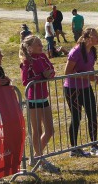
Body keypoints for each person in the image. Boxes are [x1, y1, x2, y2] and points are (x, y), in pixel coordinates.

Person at [19, 35, 60, 173]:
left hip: (44, 97)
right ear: (29, 48)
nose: (41, 46)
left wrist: (50, 74)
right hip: (33, 99)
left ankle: (36, 156)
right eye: (38, 44)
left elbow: (51, 69)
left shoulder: (42, 56)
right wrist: (42, 76)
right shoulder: (27, 61)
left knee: (50, 130)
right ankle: (40, 159)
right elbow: (25, 81)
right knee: (38, 130)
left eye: (41, 43)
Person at [63, 28, 98, 157]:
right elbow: (67, 72)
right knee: (76, 117)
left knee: (92, 114)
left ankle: (94, 145)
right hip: (72, 89)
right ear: (87, 38)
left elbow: (89, 67)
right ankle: (74, 148)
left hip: (86, 87)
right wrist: (86, 76)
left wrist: (94, 76)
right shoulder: (76, 51)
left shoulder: (91, 51)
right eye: (95, 35)